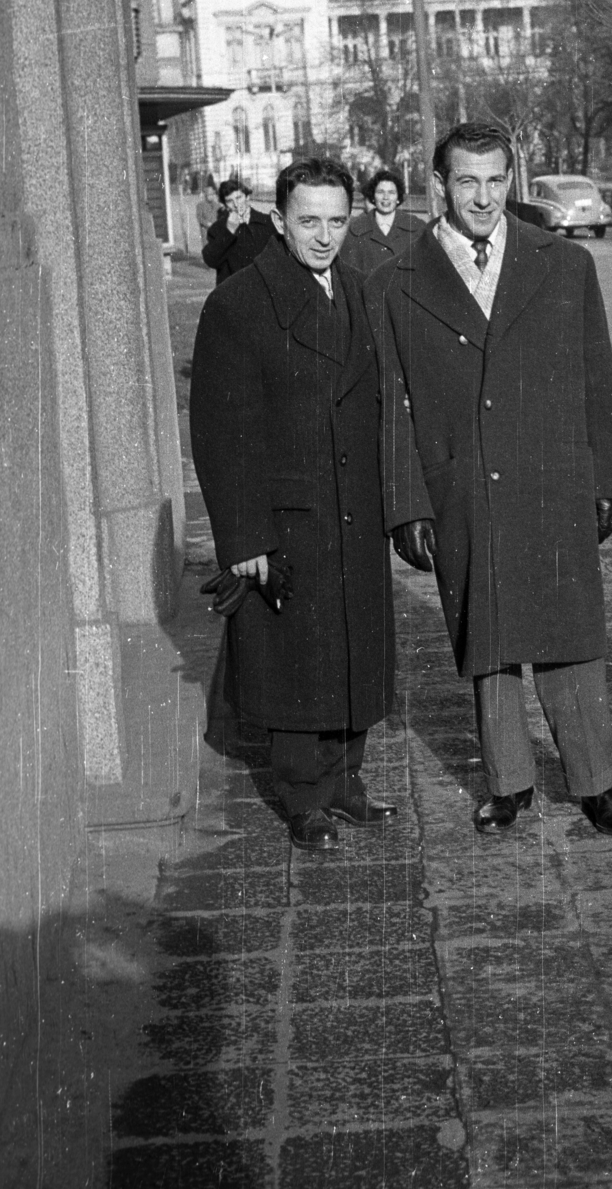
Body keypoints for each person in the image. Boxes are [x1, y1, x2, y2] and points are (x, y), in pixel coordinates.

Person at [367, 122, 612, 839]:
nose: (481, 197)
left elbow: (594, 379)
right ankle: (507, 782)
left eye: (494, 180)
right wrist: (404, 503)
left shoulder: (563, 264)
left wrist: (608, 477)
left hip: (552, 475)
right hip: (464, 479)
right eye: (465, 181)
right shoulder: (394, 281)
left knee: (569, 633)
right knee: (485, 635)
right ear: (438, 185)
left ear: (512, 180)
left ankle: (593, 780)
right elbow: (392, 402)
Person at [190, 158, 396, 851]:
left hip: (354, 510)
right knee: (297, 660)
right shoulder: (239, 305)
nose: (324, 236)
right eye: (308, 220)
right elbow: (220, 435)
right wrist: (244, 538)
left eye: (337, 221)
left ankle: (346, 783)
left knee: (353, 650)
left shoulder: (362, 292)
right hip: (286, 519)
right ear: (278, 221)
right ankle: (304, 796)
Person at [341, 168, 425, 277]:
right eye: (380, 192)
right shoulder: (355, 229)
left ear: (398, 198)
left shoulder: (416, 227)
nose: (386, 197)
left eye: (391, 192)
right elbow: (347, 274)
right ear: (373, 197)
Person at [202, 176, 274, 283]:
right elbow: (211, 260)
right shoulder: (217, 228)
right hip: (232, 292)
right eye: (229, 201)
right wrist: (229, 230)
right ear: (225, 205)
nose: (236, 204)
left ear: (247, 197)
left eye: (239, 198)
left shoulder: (267, 222)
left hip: (262, 289)